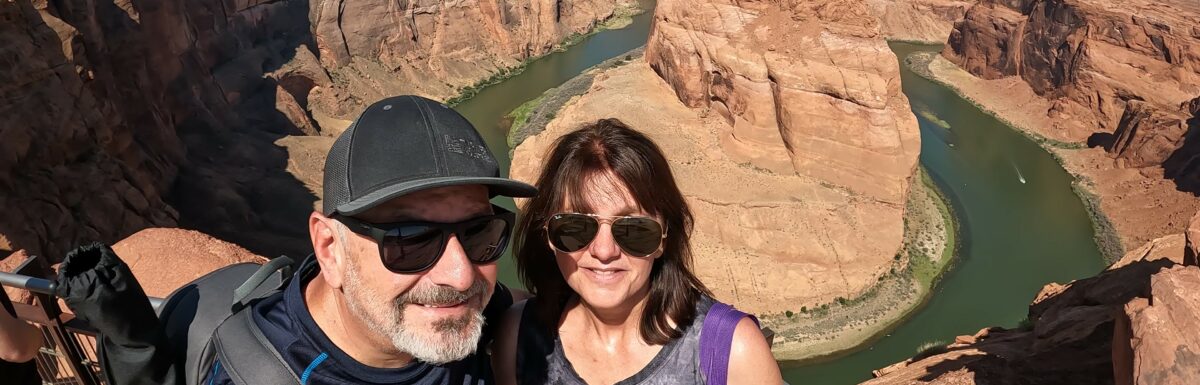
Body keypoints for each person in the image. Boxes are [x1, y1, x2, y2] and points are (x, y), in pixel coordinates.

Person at [204, 95, 537, 384]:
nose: (461, 276)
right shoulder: (269, 375)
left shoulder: (461, 307)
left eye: (480, 233)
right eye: (410, 240)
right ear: (330, 249)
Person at [493, 119, 781, 384]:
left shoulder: (732, 352)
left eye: (634, 229)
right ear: (547, 235)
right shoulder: (519, 338)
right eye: (575, 227)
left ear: (663, 238)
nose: (604, 251)